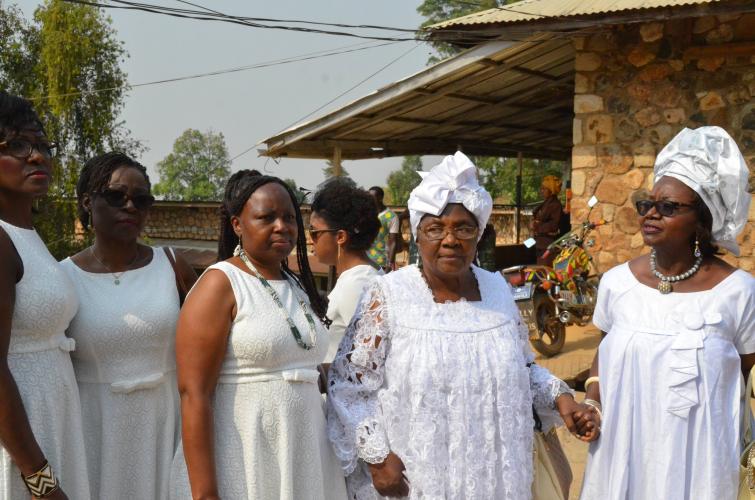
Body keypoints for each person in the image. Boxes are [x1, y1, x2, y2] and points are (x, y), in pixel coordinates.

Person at [327, 151, 599, 500]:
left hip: (494, 476)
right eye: (435, 228)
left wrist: (561, 397)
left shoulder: (498, 290)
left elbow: (523, 368)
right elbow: (348, 386)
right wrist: (378, 459)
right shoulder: (388, 295)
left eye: (464, 228)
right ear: (417, 235)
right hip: (416, 480)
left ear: (479, 234)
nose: (450, 239)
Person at [579, 126, 755, 500]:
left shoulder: (738, 292)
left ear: (702, 220)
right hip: (623, 454)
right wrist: (593, 399)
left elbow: (746, 373)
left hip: (701, 466)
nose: (651, 214)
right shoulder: (617, 284)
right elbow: (605, 353)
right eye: (647, 204)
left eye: (669, 207)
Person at [170, 170, 347, 500]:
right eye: (267, 217)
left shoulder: (296, 284)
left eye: (290, 218)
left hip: (305, 456)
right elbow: (194, 393)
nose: (282, 226)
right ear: (238, 224)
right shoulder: (220, 283)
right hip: (246, 458)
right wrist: (205, 494)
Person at [59, 152, 197, 499]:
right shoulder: (63, 278)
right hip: (96, 428)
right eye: (116, 196)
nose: (130, 206)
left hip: (167, 422)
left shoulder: (172, 265)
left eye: (141, 199)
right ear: (87, 202)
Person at [0, 91, 90, 499]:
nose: (37, 156)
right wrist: (39, 480)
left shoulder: (26, 237)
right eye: (18, 145)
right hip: (19, 448)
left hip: (49, 424)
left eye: (42, 145)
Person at [309, 178, 381, 362]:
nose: (310, 240)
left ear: (340, 237)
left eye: (314, 233)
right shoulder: (361, 276)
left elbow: (369, 356)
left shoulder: (357, 285)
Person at [532, 175, 564, 266]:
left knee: (545, 269)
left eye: (544, 189)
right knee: (540, 269)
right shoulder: (546, 203)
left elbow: (554, 226)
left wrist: (537, 226)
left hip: (548, 244)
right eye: (541, 189)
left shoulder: (555, 205)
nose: (541, 191)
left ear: (551, 190)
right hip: (541, 243)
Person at [367, 186, 400, 272]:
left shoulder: (392, 217)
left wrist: (390, 264)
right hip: (364, 261)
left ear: (380, 198)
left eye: (372, 197)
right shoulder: (366, 213)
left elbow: (393, 242)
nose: (369, 200)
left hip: (381, 262)